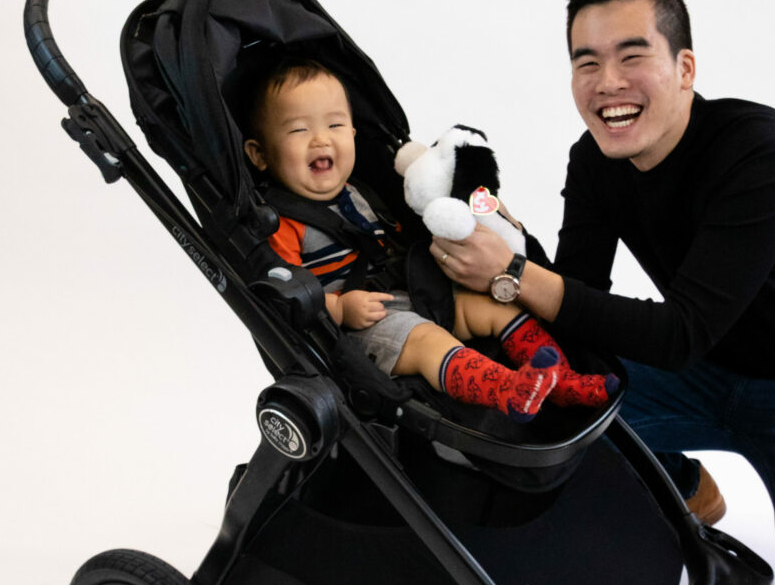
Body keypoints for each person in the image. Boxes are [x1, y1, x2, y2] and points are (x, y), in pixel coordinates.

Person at [429, 0, 775, 585]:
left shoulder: (760, 151)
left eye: (632, 55)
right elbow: (577, 302)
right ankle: (687, 487)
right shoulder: (595, 161)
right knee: (544, 386)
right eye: (586, 62)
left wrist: (513, 275)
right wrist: (506, 249)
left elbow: (679, 331)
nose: (607, 83)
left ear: (684, 67)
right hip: (703, 369)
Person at [241, 59, 617, 422]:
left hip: (416, 291)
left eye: (335, 125)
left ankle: (561, 379)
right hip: (365, 322)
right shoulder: (280, 222)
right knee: (427, 342)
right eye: (298, 130)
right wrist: (339, 309)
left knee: (494, 305)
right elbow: (286, 296)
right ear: (259, 155)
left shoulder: (363, 192)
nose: (321, 139)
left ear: (354, 134)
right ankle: (506, 388)